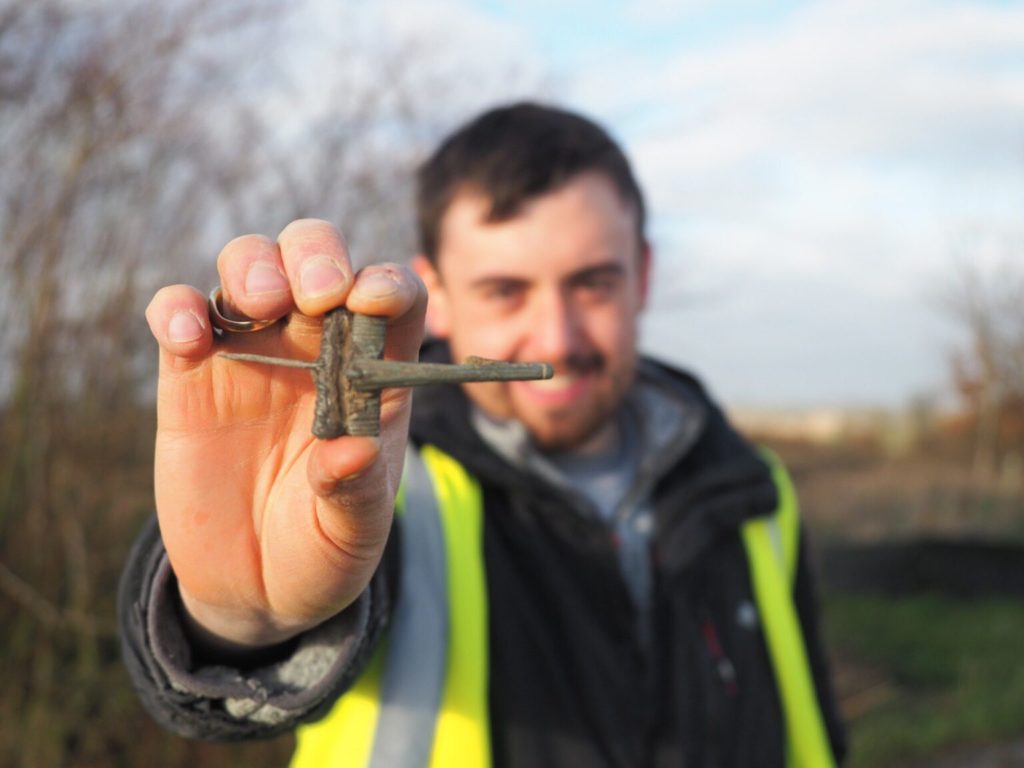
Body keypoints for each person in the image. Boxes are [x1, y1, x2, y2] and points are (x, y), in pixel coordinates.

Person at [120, 102, 847, 767]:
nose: (557, 338)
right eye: (505, 290)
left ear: (644, 276)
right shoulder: (384, 485)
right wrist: (239, 621)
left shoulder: (753, 491)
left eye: (593, 283)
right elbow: (239, 681)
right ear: (434, 291)